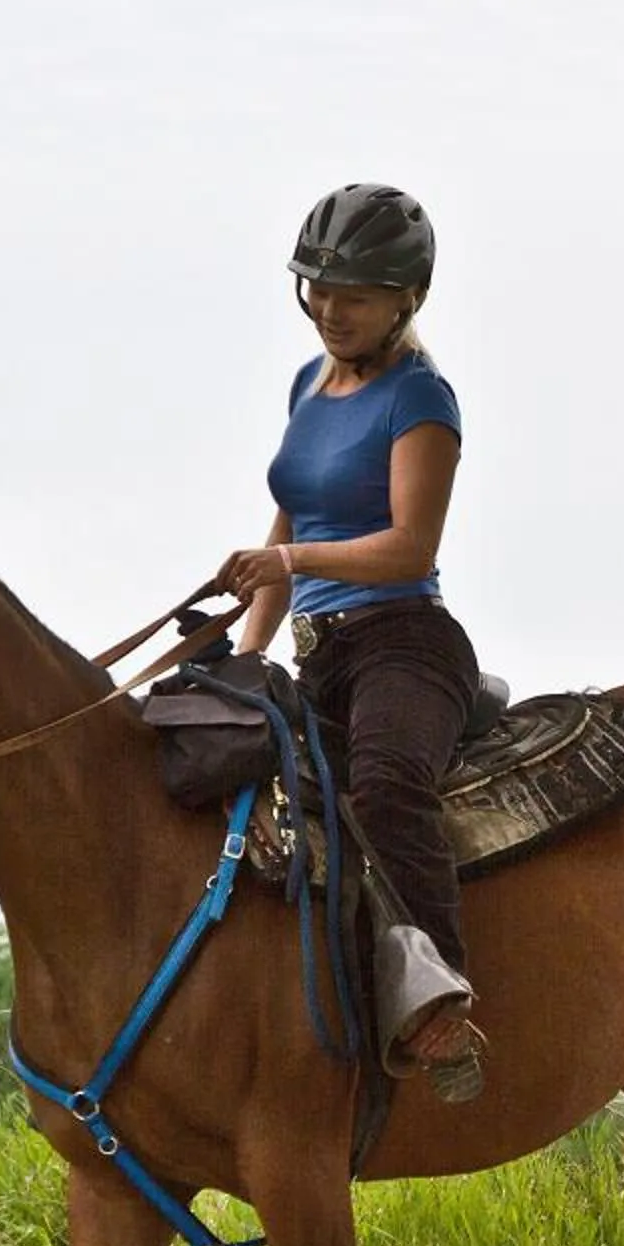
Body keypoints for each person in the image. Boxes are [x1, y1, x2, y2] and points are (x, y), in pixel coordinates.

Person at [219, 183, 485, 1103]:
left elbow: (411, 545)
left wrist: (286, 553)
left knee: (383, 784)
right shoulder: (308, 384)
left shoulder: (422, 398)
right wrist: (252, 651)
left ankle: (438, 995)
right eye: (317, 291)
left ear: (406, 298)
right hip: (315, 647)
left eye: (355, 296)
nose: (330, 311)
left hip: (405, 641)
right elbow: (284, 526)